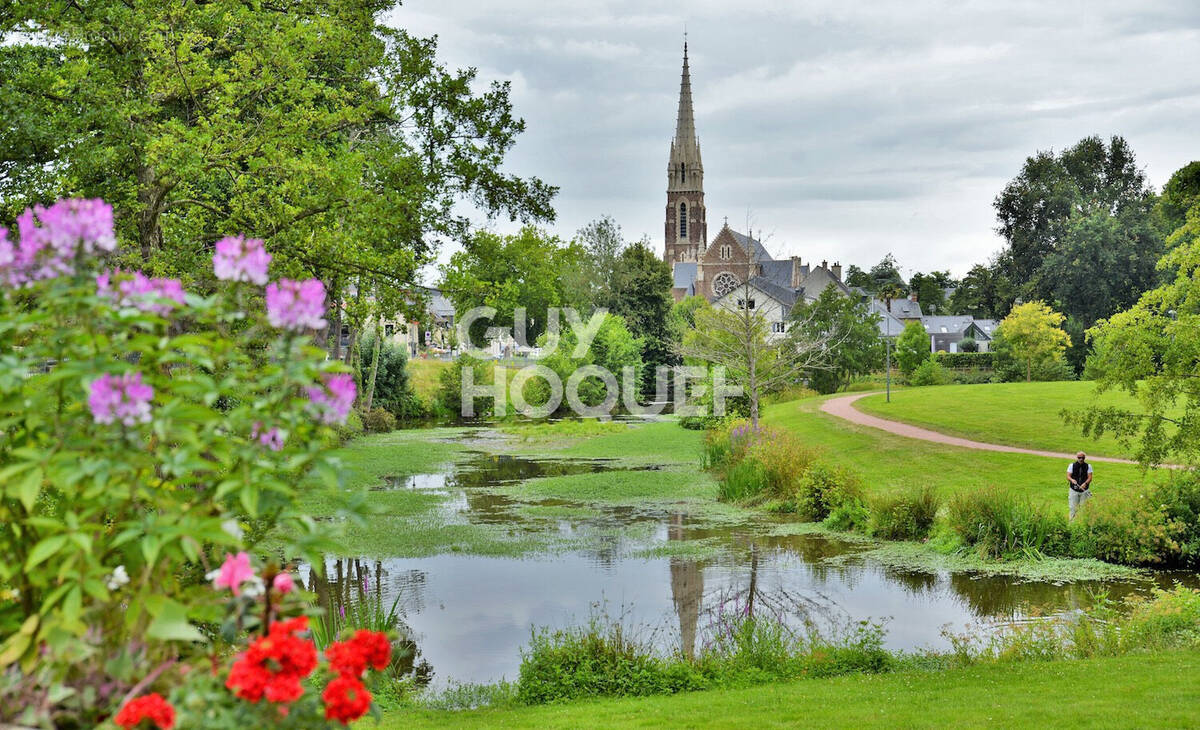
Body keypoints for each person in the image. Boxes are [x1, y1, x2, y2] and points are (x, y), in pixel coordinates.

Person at [1068, 451, 1093, 519]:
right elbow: (1068, 476)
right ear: (1077, 458)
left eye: (1083, 458)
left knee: (1083, 508)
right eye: (1079, 457)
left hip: (1084, 490)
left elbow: (1090, 477)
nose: (1081, 459)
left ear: (1084, 458)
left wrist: (1085, 483)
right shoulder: (1071, 465)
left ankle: (1082, 522)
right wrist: (1072, 480)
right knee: (1073, 508)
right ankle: (1071, 523)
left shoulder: (1088, 466)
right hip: (1073, 490)